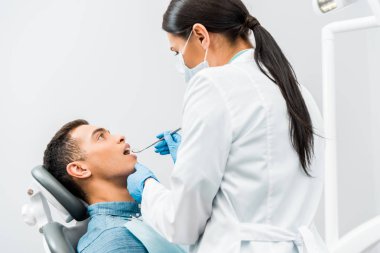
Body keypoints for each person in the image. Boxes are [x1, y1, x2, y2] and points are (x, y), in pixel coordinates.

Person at [126, 0, 329, 252]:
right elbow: (259, 180)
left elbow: (181, 224)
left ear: (200, 35)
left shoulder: (214, 84)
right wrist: (192, 161)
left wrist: (146, 187)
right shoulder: (294, 89)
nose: (181, 63)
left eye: (177, 52)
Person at [43, 119, 185, 253]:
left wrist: (188, 170)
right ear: (80, 169)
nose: (120, 137)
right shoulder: (112, 243)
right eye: (100, 137)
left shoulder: (144, 216)